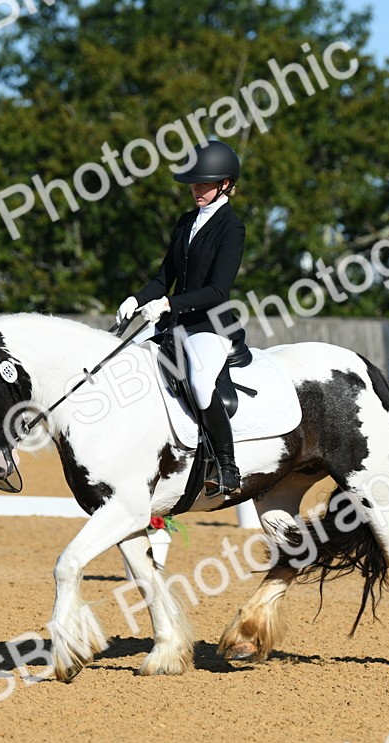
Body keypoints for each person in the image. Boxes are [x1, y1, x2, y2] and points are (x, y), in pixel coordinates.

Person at [116, 140, 246, 496]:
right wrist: (136, 299)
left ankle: (227, 467)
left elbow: (218, 290)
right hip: (172, 321)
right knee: (125, 363)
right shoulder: (185, 221)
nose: (196, 190)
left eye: (204, 184)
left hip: (210, 324)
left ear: (225, 184)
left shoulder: (231, 228)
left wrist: (170, 304)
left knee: (201, 384)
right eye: (194, 183)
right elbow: (163, 276)